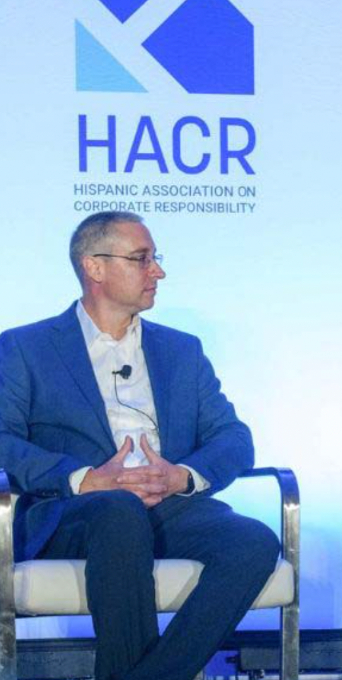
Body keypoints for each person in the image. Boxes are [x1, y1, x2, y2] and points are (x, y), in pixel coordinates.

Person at [0, 212, 280, 680]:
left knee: (253, 540)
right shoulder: (26, 348)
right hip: (75, 512)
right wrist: (83, 478)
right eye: (141, 259)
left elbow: (233, 438)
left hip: (166, 504)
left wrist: (181, 476)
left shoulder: (181, 351)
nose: (158, 272)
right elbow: (2, 439)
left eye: (155, 259)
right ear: (95, 267)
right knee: (117, 510)